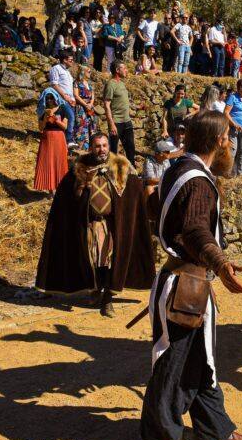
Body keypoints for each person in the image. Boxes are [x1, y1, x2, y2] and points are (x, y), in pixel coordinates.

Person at [140, 110, 242, 440]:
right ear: (219, 140)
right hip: (183, 286)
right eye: (228, 138)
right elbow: (194, 230)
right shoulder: (196, 180)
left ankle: (214, 429)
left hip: (187, 281)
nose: (231, 145)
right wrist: (220, 263)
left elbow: (157, 210)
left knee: (200, 361)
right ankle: (159, 435)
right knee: (173, 364)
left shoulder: (179, 169)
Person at [35, 133, 155, 316]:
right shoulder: (80, 170)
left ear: (109, 146)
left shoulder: (121, 168)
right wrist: (81, 188)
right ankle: (95, 290)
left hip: (112, 227)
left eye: (105, 145)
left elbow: (134, 191)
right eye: (98, 146)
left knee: (109, 262)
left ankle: (107, 300)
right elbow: (65, 196)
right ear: (91, 147)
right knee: (92, 260)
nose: (102, 149)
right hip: (90, 226)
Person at [34, 92, 69, 193]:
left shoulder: (62, 109)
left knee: (59, 161)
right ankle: (50, 187)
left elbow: (65, 127)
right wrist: (45, 119)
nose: (49, 100)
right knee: (47, 162)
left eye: (51, 98)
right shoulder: (43, 112)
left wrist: (55, 118)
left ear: (55, 98)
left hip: (59, 138)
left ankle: (60, 187)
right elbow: (41, 128)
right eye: (47, 98)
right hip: (47, 139)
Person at [103, 60, 135, 165]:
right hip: (116, 122)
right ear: (117, 70)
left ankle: (132, 174)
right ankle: (112, 173)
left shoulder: (121, 83)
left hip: (127, 121)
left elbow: (124, 101)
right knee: (113, 151)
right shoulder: (110, 84)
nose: (126, 70)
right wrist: (111, 124)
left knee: (130, 149)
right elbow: (107, 105)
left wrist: (137, 106)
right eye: (124, 68)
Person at [223, 78, 242, 176]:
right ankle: (228, 173)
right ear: (238, 88)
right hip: (233, 128)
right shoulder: (233, 97)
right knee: (232, 150)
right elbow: (226, 112)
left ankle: (240, 173)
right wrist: (234, 124)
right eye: (241, 86)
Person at [47, 49, 76, 146]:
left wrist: (72, 99)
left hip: (69, 100)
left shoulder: (67, 72)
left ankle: (63, 140)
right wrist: (65, 97)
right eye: (71, 60)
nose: (72, 61)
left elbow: (69, 87)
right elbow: (54, 84)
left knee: (66, 120)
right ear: (64, 60)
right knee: (70, 117)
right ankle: (69, 139)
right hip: (61, 99)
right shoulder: (56, 69)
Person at [73, 65, 97, 148]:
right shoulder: (77, 82)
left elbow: (93, 96)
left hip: (90, 108)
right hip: (81, 108)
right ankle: (81, 148)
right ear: (83, 72)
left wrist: (91, 104)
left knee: (92, 127)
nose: (90, 73)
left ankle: (91, 148)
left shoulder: (89, 84)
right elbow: (76, 95)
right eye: (89, 71)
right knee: (82, 128)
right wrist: (85, 104)